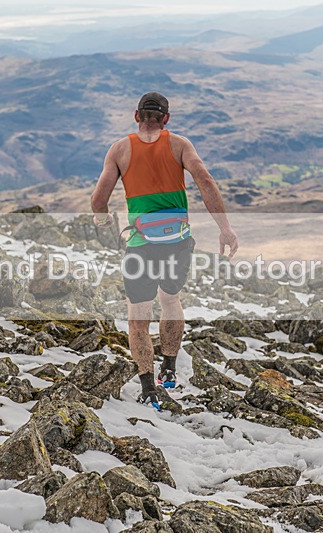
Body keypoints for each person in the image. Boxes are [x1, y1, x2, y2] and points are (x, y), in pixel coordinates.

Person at [90, 91, 238, 410]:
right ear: (166, 118)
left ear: (136, 115)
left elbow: (98, 200)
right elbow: (205, 181)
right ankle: (168, 372)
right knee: (170, 300)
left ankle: (148, 388)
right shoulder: (180, 145)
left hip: (141, 246)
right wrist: (225, 228)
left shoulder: (119, 150)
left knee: (137, 318)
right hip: (178, 242)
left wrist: (103, 221)